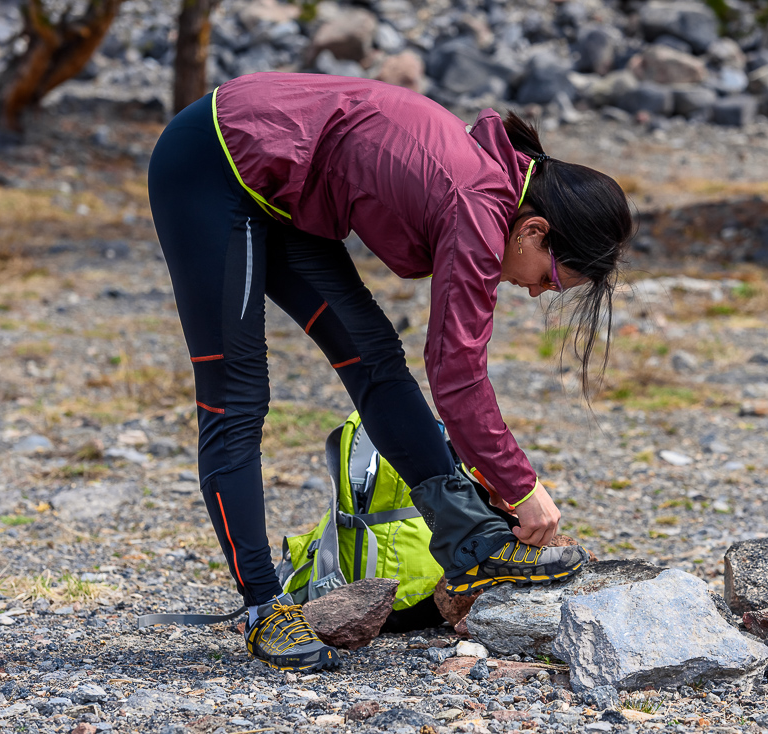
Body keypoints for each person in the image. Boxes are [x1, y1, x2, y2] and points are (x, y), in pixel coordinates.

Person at [147, 72, 633, 672]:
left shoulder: (494, 196)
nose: (535, 293)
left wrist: (497, 493)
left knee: (374, 358)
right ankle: (263, 605)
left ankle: (471, 542)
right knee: (237, 396)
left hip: (283, 185)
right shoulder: (480, 207)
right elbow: (456, 374)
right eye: (549, 279)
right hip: (210, 162)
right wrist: (522, 488)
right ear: (535, 230)